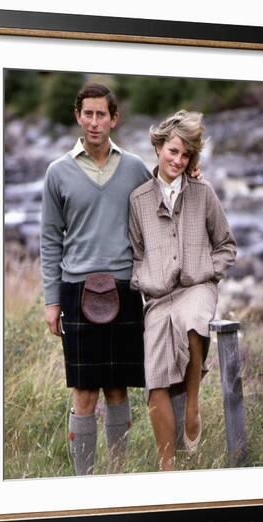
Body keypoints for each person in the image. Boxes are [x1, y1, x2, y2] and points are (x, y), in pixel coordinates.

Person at [40, 83, 202, 476]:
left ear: (114, 118)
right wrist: (51, 300)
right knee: (83, 392)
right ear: (78, 116)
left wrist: (193, 173)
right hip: (77, 288)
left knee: (117, 389)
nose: (94, 122)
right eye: (88, 113)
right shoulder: (56, 172)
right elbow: (49, 239)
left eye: (102, 114)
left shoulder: (132, 168)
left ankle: (117, 473)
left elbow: (167, 188)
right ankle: (85, 480)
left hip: (125, 288)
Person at [128, 110, 237, 471]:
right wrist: (144, 279)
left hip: (197, 288)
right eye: (173, 151)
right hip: (158, 298)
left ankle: (193, 402)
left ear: (192, 159)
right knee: (156, 376)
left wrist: (208, 271)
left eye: (186, 155)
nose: (178, 160)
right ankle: (167, 470)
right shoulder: (139, 200)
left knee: (193, 320)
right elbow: (136, 253)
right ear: (158, 146)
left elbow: (226, 245)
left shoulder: (203, 192)